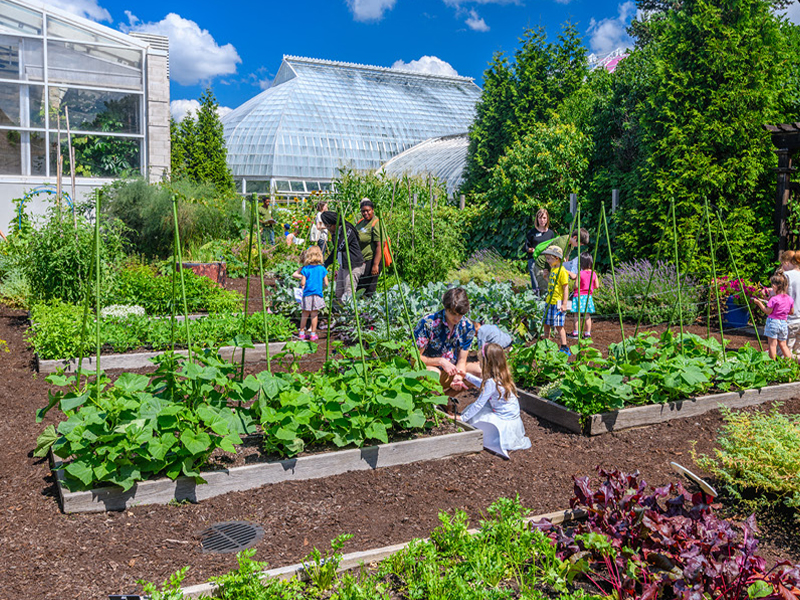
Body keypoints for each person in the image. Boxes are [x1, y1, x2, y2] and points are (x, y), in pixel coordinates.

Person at [456, 343, 531, 458]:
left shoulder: (492, 382)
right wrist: (466, 376)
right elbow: (483, 385)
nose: (478, 363)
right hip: (512, 418)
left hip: (502, 419)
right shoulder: (500, 376)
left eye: (480, 360)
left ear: (486, 363)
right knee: (478, 411)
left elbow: (479, 404)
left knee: (476, 416)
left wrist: (462, 418)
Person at [413, 287, 481, 394]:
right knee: (434, 373)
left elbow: (462, 360)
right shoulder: (428, 323)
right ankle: (428, 401)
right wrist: (440, 361)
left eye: (460, 315)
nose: (456, 318)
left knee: (480, 372)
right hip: (428, 371)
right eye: (453, 313)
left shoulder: (467, 327)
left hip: (451, 372)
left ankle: (447, 399)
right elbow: (414, 358)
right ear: (445, 307)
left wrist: (458, 376)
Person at [320, 211, 365, 302]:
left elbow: (340, 246)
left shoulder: (347, 229)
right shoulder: (336, 231)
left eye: (328, 226)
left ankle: (349, 314)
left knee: (349, 293)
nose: (328, 229)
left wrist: (333, 235)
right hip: (344, 265)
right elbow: (335, 251)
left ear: (334, 223)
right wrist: (326, 263)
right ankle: (340, 314)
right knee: (339, 293)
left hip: (353, 265)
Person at [533, 227, 590, 294]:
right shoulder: (561, 243)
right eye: (579, 244)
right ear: (575, 238)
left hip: (551, 267)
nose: (578, 246)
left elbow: (566, 257)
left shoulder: (571, 244)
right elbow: (552, 258)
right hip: (542, 266)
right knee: (546, 291)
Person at [752, 272, 794, 360]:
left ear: (775, 286)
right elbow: (791, 312)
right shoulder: (789, 299)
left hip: (773, 323)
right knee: (783, 345)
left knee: (772, 344)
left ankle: (772, 365)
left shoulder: (774, 299)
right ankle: (790, 364)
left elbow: (767, 311)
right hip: (783, 323)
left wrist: (759, 303)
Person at [292, 246, 328, 341]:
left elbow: (303, 283)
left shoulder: (306, 269)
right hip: (317, 294)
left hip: (307, 294)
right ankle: (313, 334)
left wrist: (305, 281)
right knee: (314, 314)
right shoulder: (322, 269)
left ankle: (302, 333)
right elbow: (327, 283)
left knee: (304, 314)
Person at [541, 245, 571, 355]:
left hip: (558, 304)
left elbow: (565, 288)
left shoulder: (562, 271)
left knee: (559, 326)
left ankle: (564, 347)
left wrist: (564, 304)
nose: (547, 261)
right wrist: (546, 278)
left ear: (556, 258)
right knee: (546, 323)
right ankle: (547, 344)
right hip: (549, 302)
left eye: (549, 258)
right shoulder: (553, 269)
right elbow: (553, 285)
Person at [355, 198, 385, 298]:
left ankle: (367, 311)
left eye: (368, 210)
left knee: (368, 288)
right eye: (363, 211)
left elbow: (380, 245)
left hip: (372, 260)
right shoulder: (361, 222)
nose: (365, 213)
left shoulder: (376, 223)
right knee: (360, 286)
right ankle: (361, 309)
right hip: (362, 260)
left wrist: (375, 265)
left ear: (372, 210)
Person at [525, 208, 557, 294]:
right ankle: (536, 302)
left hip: (546, 262)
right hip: (534, 261)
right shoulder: (531, 232)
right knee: (535, 284)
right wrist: (530, 250)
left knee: (545, 282)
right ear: (537, 219)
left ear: (547, 219)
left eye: (544, 218)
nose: (542, 220)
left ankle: (545, 301)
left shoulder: (550, 233)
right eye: (540, 218)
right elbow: (526, 246)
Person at [569, 252, 600, 339]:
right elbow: (597, 286)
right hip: (588, 297)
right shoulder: (594, 274)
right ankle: (587, 333)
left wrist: (573, 287)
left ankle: (576, 333)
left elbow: (577, 285)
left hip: (578, 296)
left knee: (576, 315)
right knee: (587, 316)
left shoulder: (580, 273)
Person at [780, 250, 800, 354]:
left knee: (784, 352)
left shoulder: (787, 275)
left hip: (790, 320)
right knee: (797, 353)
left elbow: (781, 295)